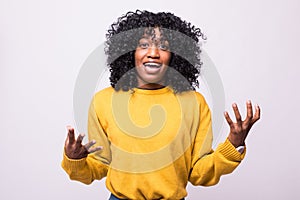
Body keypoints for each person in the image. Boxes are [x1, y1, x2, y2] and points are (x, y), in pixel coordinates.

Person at [61, 10, 260, 200]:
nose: (154, 53)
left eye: (164, 46)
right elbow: (99, 165)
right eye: (144, 45)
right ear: (129, 51)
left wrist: (234, 144)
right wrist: (75, 159)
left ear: (176, 55)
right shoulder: (104, 101)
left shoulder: (194, 103)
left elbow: (199, 173)